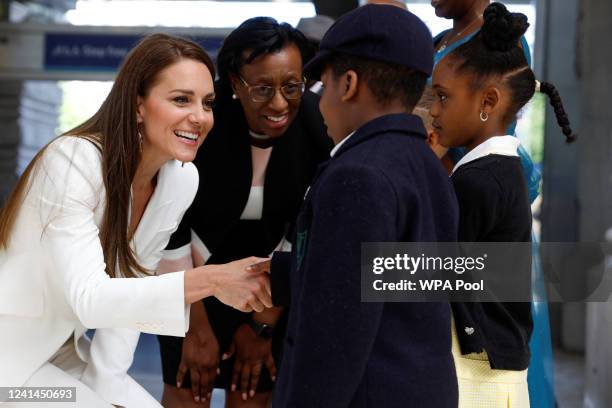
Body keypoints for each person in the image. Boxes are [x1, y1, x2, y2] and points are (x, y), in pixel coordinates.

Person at [0, 33, 272, 408]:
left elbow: (136, 280)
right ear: (138, 105)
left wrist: (109, 383)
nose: (200, 116)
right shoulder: (72, 162)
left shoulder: (179, 179)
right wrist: (212, 280)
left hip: (62, 352)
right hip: (8, 369)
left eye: (207, 103)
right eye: (181, 99)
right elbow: (91, 300)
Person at [268, 5, 459, 407]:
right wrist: (277, 275)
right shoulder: (427, 165)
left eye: (321, 85)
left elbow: (335, 335)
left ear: (349, 83)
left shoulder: (356, 175)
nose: (317, 104)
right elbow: (394, 279)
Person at [156, 18, 332, 408]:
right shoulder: (201, 122)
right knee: (187, 391)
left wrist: (263, 325)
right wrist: (192, 325)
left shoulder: (318, 123)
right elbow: (170, 226)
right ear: (235, 83)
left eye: (292, 86)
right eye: (263, 89)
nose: (279, 103)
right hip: (187, 278)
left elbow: (309, 228)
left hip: (272, 283)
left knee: (252, 390)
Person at [430, 3, 575, 406]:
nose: (434, 109)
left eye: (443, 97)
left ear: (488, 101)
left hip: (479, 364)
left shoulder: (482, 183)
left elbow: (431, 273)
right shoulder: (440, 42)